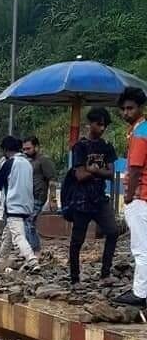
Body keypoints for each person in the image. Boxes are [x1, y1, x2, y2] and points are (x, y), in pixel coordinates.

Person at [63, 108, 118, 285]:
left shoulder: (107, 146)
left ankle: (105, 274)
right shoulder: (80, 147)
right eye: (99, 124)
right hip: (82, 200)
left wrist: (93, 170)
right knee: (77, 240)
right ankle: (75, 278)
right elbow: (79, 175)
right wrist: (96, 171)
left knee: (113, 231)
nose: (102, 128)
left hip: (99, 198)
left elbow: (111, 173)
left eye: (104, 125)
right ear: (91, 124)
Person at [115, 87, 147, 307]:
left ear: (140, 108)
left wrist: (127, 197)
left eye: (130, 108)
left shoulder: (139, 133)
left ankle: (140, 293)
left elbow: (135, 168)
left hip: (140, 196)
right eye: (124, 109)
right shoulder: (142, 129)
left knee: (140, 248)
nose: (126, 112)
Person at [0, 136, 38, 272]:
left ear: (6, 150)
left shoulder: (10, 163)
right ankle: (1, 258)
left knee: (18, 236)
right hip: (27, 205)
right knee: (8, 232)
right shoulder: (28, 163)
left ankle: (32, 260)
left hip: (14, 205)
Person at [22, 136, 57, 253]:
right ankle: (31, 250)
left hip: (38, 196)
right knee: (27, 223)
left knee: (29, 222)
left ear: (36, 147)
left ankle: (34, 251)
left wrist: (53, 200)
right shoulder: (27, 161)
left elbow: (52, 181)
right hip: (28, 197)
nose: (26, 151)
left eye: (28, 148)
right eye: (24, 149)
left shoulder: (43, 160)